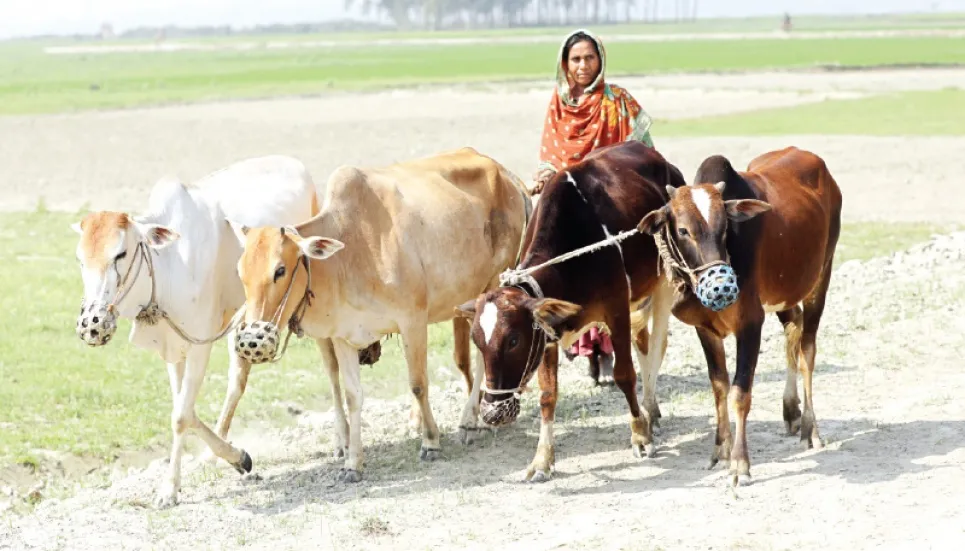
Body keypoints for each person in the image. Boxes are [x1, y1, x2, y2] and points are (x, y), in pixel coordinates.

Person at [530, 29, 656, 385]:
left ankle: (611, 348)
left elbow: (642, 151)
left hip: (611, 198)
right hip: (570, 201)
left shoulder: (618, 101)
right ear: (565, 65)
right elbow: (551, 155)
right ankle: (586, 348)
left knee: (612, 275)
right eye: (576, 59)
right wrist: (545, 175)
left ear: (600, 61)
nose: (583, 66)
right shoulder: (558, 103)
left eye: (589, 58)